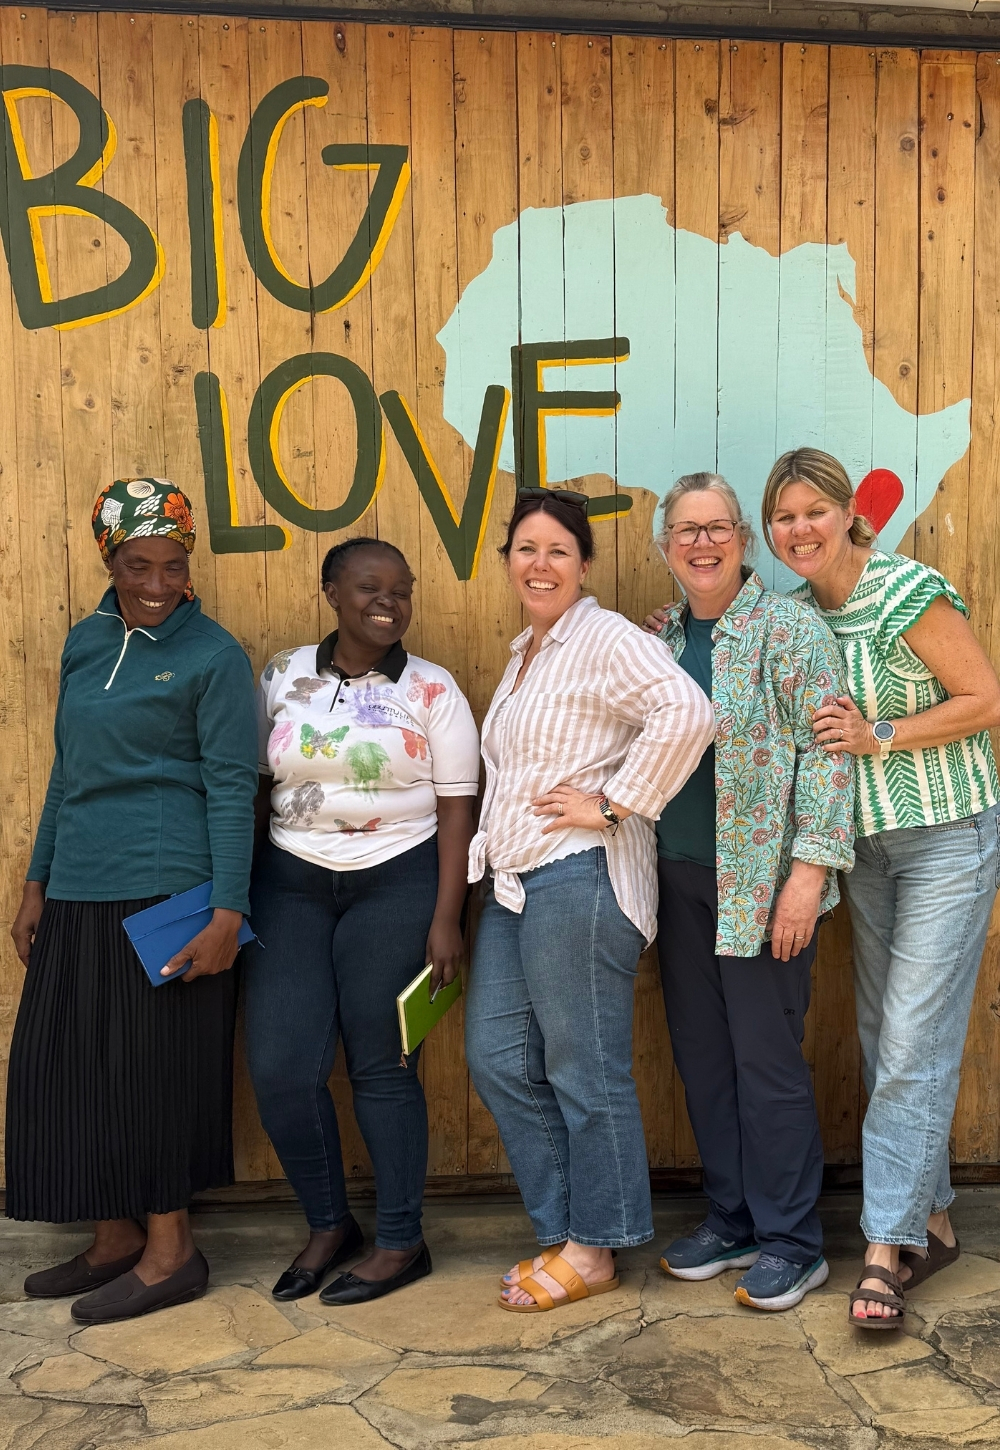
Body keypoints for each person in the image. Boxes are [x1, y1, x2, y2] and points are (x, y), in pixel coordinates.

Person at [6, 478, 258, 1324]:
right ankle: (114, 1238)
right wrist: (37, 883)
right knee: (77, 1073)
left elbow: (233, 788)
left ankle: (171, 1251)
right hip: (78, 888)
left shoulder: (214, 656)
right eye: (138, 565)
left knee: (153, 1078)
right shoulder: (85, 642)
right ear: (109, 560)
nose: (157, 583)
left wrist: (228, 911)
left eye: (173, 565)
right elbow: (67, 772)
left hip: (166, 890)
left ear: (190, 566)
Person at [764, 447, 1000, 1329]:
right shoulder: (795, 615)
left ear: (847, 513)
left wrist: (881, 735)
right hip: (865, 849)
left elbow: (985, 698)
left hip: (947, 835)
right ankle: (932, 1222)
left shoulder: (907, 590)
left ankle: (884, 1247)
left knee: (909, 1040)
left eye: (813, 512)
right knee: (886, 1036)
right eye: (783, 517)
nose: (800, 530)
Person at [464, 487, 715, 1314]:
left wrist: (614, 804)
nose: (540, 565)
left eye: (558, 552)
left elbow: (687, 711)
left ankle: (595, 1246)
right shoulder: (525, 653)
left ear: (584, 565)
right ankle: (566, 1228)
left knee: (583, 1066)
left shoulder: (604, 637)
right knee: (499, 1057)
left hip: (580, 873)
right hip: (514, 881)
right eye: (526, 549)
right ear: (508, 559)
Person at [243, 537, 479, 1305]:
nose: (389, 602)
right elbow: (256, 787)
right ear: (332, 593)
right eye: (370, 587)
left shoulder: (433, 688)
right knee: (281, 1067)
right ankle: (328, 1225)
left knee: (383, 1065)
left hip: (399, 879)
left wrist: (448, 917)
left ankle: (402, 1241)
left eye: (401, 590)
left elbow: (457, 811)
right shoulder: (283, 675)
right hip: (291, 883)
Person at [642, 474, 854, 1311]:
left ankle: (793, 1241)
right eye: (686, 530)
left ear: (743, 540)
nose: (702, 543)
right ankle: (732, 1219)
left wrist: (809, 875)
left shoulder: (790, 630)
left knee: (767, 1063)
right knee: (703, 1058)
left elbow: (829, 754)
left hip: (762, 886)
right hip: (678, 879)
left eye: (717, 528)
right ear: (665, 546)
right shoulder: (659, 638)